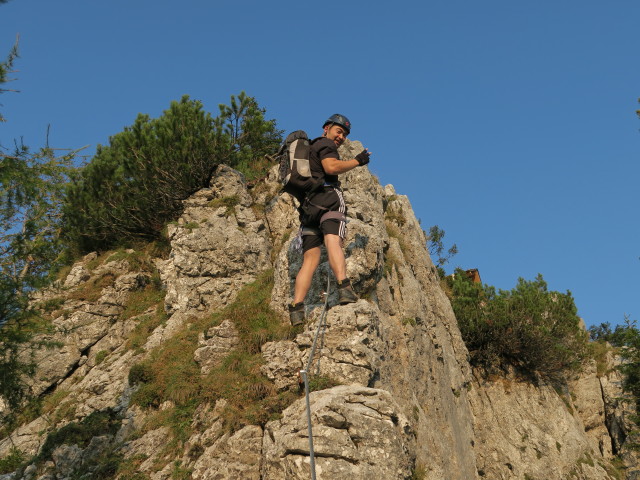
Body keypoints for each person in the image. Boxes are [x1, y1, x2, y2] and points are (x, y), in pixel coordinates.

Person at [288, 114, 371, 326]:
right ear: (326, 128)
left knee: (310, 260)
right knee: (333, 240)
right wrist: (358, 161)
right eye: (339, 131)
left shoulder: (309, 149)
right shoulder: (325, 144)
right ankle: (344, 288)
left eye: (344, 134)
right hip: (329, 199)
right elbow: (331, 168)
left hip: (309, 208)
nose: (341, 137)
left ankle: (297, 308)